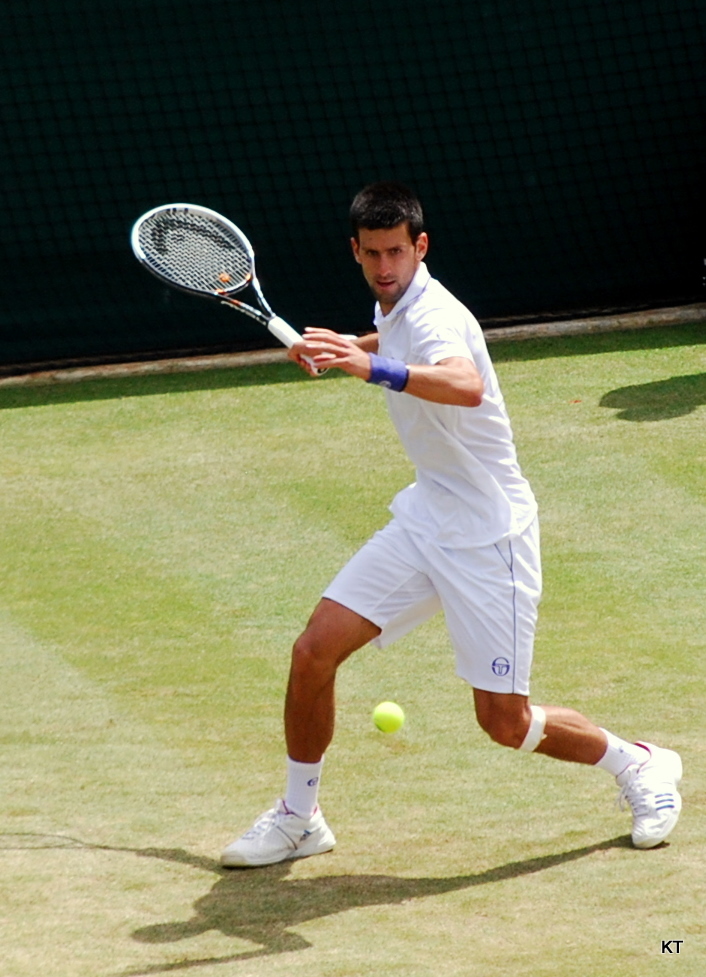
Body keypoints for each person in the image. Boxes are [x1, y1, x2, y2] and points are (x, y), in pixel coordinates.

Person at [220, 182, 682, 868]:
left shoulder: (437, 313)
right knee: (313, 651)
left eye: (397, 252)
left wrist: (370, 365)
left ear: (421, 247)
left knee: (505, 722)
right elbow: (395, 335)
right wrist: (352, 343)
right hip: (427, 517)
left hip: (489, 538)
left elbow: (463, 383)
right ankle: (299, 814)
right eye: (372, 253)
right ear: (356, 250)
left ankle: (640, 763)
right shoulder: (400, 307)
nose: (385, 266)